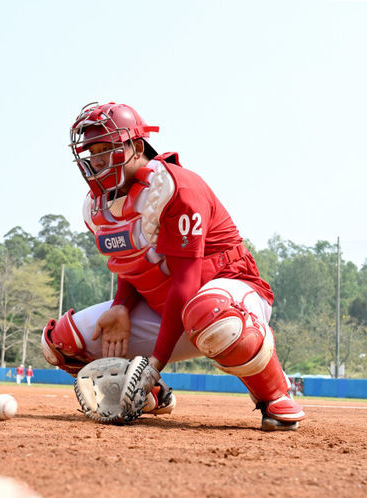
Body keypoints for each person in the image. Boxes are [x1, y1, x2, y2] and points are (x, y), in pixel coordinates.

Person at [40, 101, 305, 431]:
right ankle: (149, 395)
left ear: (136, 146)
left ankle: (275, 396)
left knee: (211, 313)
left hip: (229, 296)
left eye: (105, 148)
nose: (97, 161)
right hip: (166, 309)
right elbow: (133, 265)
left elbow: (185, 284)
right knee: (61, 342)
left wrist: (154, 363)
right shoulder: (99, 208)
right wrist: (121, 307)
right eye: (91, 152)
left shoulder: (176, 188)